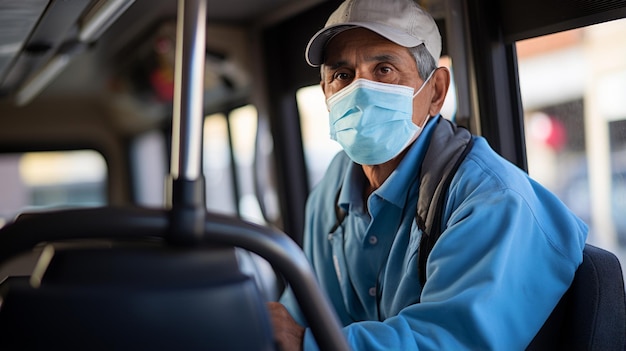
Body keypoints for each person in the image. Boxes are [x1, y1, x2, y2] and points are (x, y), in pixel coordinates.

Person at [267, 0, 588, 349]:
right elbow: (301, 312)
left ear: (435, 91)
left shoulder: (491, 200)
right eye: (342, 75)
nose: (358, 91)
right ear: (325, 92)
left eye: (384, 69)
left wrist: (306, 344)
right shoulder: (332, 192)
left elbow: (448, 341)